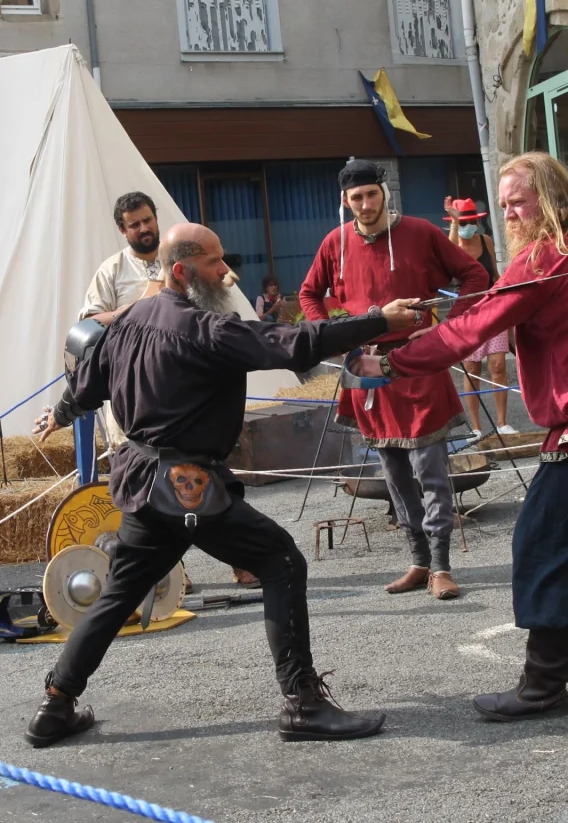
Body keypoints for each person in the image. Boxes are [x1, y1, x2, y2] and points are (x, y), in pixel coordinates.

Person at [25, 223, 419, 748]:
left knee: (119, 592)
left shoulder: (125, 323)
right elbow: (294, 342)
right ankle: (302, 704)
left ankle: (54, 705)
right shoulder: (203, 329)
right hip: (185, 486)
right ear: (182, 271)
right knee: (282, 562)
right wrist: (377, 320)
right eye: (214, 263)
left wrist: (58, 411)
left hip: (142, 482)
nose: (226, 271)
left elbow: (86, 383)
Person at [353, 151, 568, 721]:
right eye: (503, 204)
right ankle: (543, 687)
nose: (509, 213)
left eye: (519, 202)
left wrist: (389, 365)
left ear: (550, 200)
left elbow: (474, 326)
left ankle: (542, 689)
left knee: (544, 549)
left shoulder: (547, 256)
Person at [299, 160, 489, 599]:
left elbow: (475, 275)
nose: (364, 204)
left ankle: (441, 566)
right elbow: (310, 293)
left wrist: (448, 329)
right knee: (394, 472)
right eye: (355, 198)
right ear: (345, 202)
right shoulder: (336, 242)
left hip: (419, 360)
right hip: (367, 368)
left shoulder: (421, 232)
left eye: (370, 194)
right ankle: (419, 562)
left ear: (384, 193)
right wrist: (331, 334)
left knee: (430, 470)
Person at [444, 195, 517, 440]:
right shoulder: (454, 246)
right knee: (472, 368)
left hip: (491, 308)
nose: (467, 226)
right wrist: (454, 224)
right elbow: (446, 255)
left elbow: (495, 274)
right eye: (462, 222)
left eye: (470, 221)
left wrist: (506, 297)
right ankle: (475, 428)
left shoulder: (485, 241)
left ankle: (502, 423)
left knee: (498, 365)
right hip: (467, 314)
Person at [80, 192, 164, 327]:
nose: (144, 229)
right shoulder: (110, 270)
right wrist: (134, 310)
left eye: (147, 220)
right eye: (135, 225)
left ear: (156, 218)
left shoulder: (179, 257)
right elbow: (90, 322)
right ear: (122, 229)